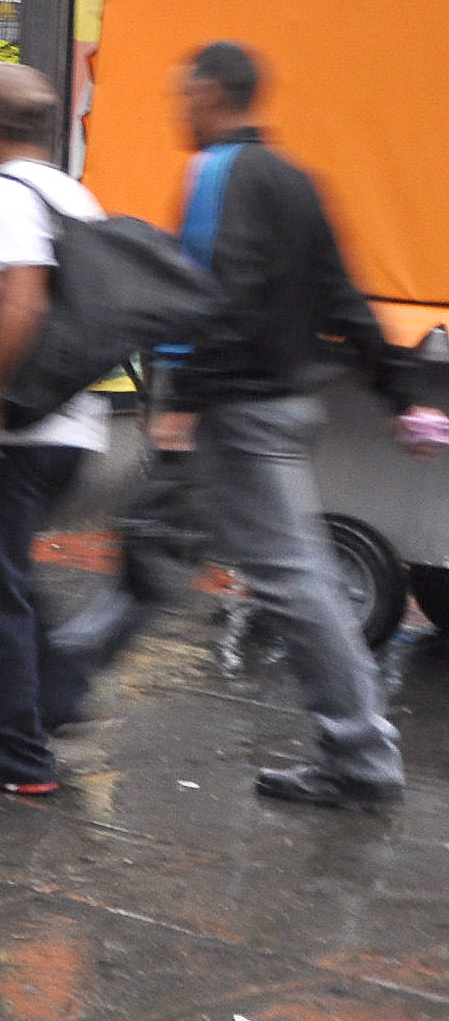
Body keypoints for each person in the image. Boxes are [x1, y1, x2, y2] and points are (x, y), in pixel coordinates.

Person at [158, 41, 430, 810]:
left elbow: (220, 294)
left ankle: (362, 759)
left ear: (212, 94)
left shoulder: (216, 173)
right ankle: (55, 692)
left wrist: (185, 397)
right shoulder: (300, 182)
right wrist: (399, 392)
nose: (178, 107)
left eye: (184, 93)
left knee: (293, 582)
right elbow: (344, 298)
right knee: (169, 552)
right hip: (278, 402)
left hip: (238, 410)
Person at [0, 63, 109, 797]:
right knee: (5, 574)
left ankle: (15, 758)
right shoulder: (74, 192)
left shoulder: (3, 192)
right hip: (75, 426)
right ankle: (54, 699)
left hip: (19, 430)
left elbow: (23, 296)